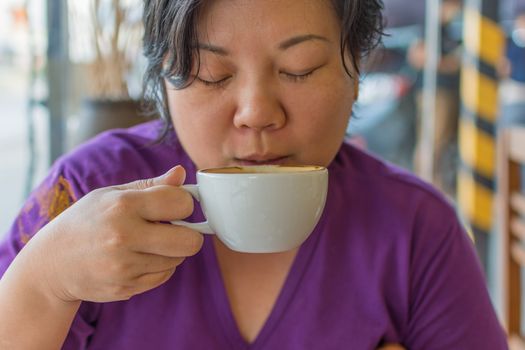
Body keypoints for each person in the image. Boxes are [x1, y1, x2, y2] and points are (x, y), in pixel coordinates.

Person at [0, 0, 507, 349]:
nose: (256, 112)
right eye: (212, 73)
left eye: (300, 68)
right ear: (164, 80)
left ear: (356, 72)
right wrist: (45, 284)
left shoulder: (417, 231)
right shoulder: (87, 190)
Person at [407, 0, 463, 198]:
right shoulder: (431, 26)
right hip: (436, 93)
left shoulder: (456, 28)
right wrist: (454, 63)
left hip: (451, 93)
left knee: (444, 143)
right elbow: (417, 56)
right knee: (432, 142)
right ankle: (425, 188)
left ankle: (435, 187)